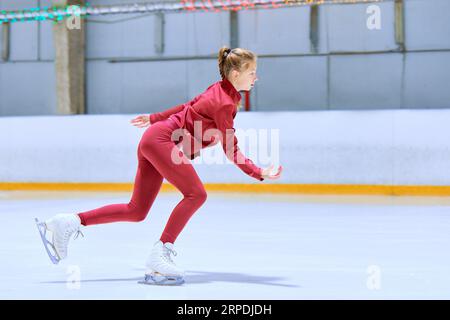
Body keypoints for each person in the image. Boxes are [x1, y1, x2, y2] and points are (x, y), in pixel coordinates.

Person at [36, 46, 283, 285]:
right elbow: (231, 148)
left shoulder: (220, 91)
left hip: (155, 139)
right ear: (236, 74)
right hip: (161, 141)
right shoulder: (224, 103)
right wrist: (258, 171)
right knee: (196, 194)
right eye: (252, 72)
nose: (256, 77)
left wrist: (154, 119)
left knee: (136, 210)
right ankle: (161, 252)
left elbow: (187, 106)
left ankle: (69, 221)